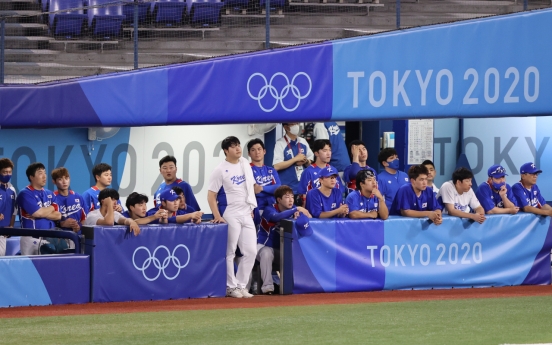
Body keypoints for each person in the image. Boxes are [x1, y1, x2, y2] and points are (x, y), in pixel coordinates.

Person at [208, 136, 258, 299]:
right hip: (231, 213)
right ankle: (231, 287)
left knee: (251, 251)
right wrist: (217, 215)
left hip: (246, 212)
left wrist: (251, 205)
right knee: (229, 252)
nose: (238, 148)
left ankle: (241, 285)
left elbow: (250, 187)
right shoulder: (220, 170)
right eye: (233, 146)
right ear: (226, 151)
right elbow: (211, 195)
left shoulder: (245, 164)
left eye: (238, 145)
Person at [258, 185, 311, 294]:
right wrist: (295, 209)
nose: (291, 199)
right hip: (262, 247)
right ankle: (268, 287)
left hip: (282, 250)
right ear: (279, 200)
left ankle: (298, 286)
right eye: (287, 197)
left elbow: (308, 219)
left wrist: (300, 215)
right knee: (266, 253)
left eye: (292, 196)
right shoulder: (269, 209)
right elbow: (275, 217)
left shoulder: (294, 209)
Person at [17, 162, 62, 255]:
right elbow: (38, 213)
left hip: (50, 237)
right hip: (31, 238)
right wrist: (51, 208)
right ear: (31, 177)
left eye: (45, 173)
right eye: (40, 173)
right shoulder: (25, 193)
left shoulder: (50, 193)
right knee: (28, 268)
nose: (44, 176)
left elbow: (58, 215)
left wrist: (42, 212)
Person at [273, 123, 314, 200]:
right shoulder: (280, 143)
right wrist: (295, 159)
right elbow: (276, 166)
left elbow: (310, 160)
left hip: (303, 187)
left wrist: (305, 161)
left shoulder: (303, 141)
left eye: (297, 123)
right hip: (287, 189)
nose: (296, 126)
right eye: (293, 124)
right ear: (286, 127)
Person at [247, 138, 281, 225]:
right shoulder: (247, 170)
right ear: (249, 153)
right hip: (255, 209)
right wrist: (270, 190)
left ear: (264, 151)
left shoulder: (271, 170)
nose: (257, 152)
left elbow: (278, 188)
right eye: (253, 150)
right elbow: (252, 191)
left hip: (273, 207)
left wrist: (262, 188)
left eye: (259, 149)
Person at [51, 167, 86, 233]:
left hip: (78, 236)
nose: (64, 182)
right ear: (54, 181)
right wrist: (62, 224)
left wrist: (79, 226)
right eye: (60, 179)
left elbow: (85, 218)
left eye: (66, 178)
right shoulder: (51, 198)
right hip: (59, 237)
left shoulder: (78, 196)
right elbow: (48, 220)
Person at [0, 158, 16, 256]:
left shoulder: (12, 189)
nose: (8, 174)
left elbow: (13, 210)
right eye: (5, 172)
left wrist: (11, 226)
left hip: (3, 233)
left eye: (10, 172)